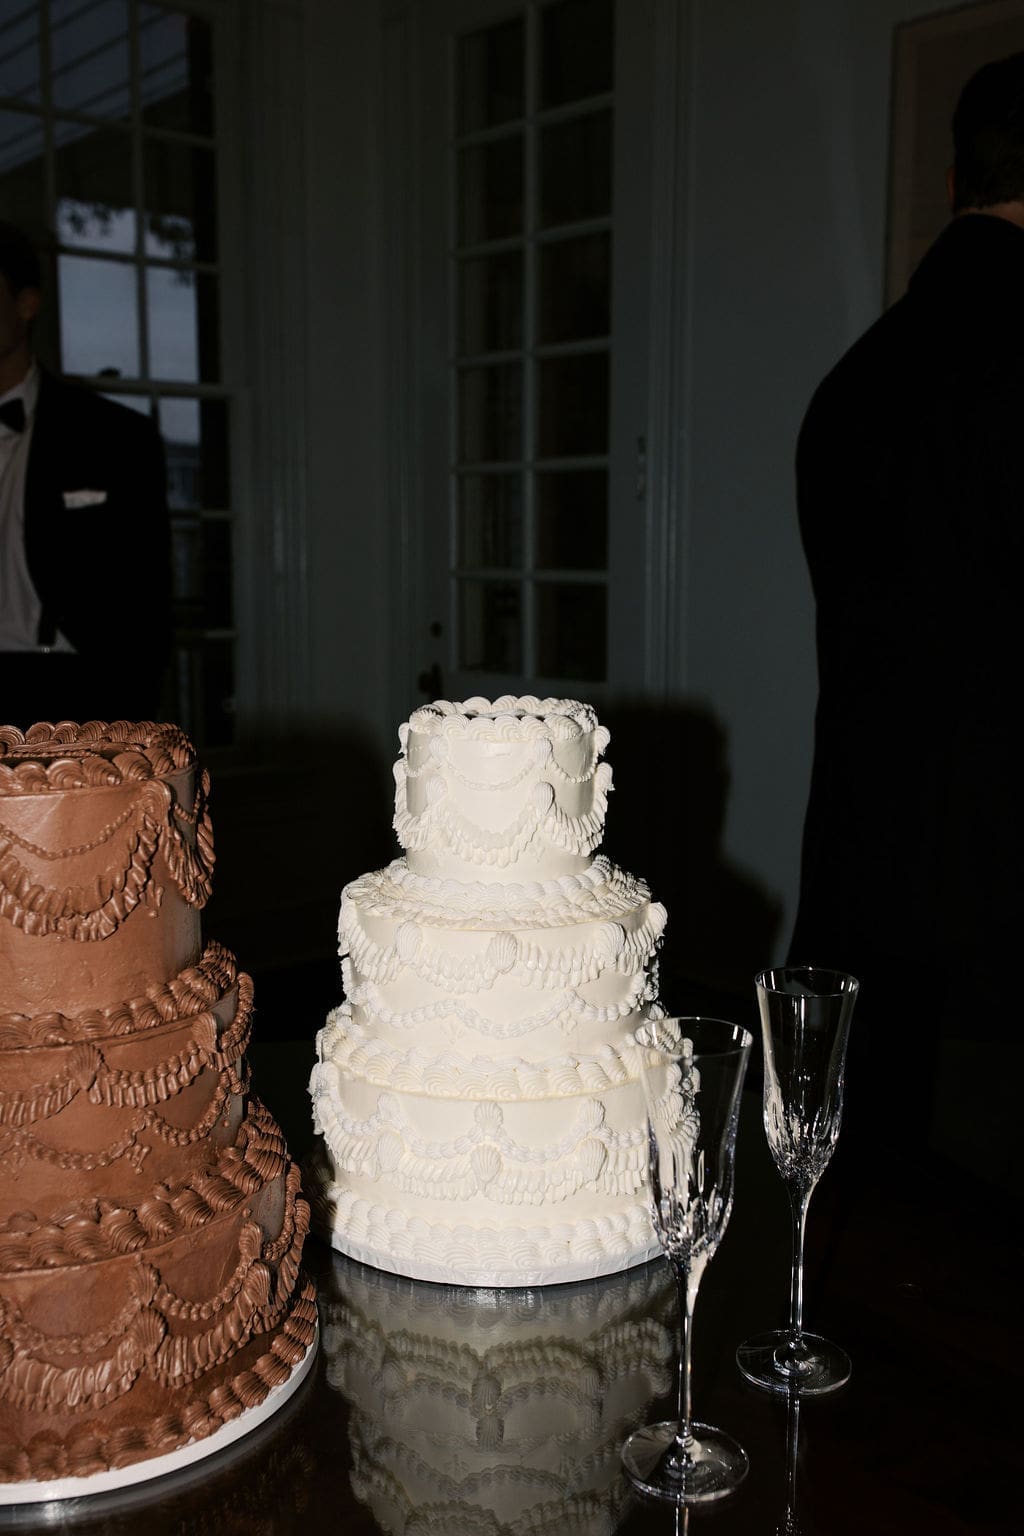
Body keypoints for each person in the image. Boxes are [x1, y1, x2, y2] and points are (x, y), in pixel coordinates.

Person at [788, 55, 1024, 1148]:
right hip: (1002, 947)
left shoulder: (852, 386)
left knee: (871, 1261)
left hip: (859, 912)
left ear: (949, 185)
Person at [0, 221, 171, 729]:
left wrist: (129, 722)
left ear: (26, 305)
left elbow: (146, 604)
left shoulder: (113, 437)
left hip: (67, 693)